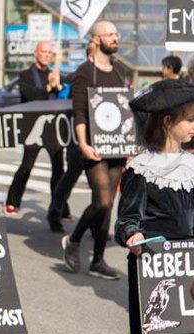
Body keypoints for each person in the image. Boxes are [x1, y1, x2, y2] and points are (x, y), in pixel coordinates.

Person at [115, 79, 194, 334]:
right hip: (154, 264)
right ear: (168, 121)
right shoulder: (142, 168)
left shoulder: (192, 165)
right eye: (190, 119)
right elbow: (126, 219)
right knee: (158, 328)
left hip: (190, 265)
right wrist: (133, 235)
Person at [62, 21, 129, 280]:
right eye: (110, 34)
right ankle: (75, 240)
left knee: (108, 205)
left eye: (116, 33)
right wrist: (83, 144)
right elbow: (78, 111)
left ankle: (98, 261)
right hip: (94, 146)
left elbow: (125, 109)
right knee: (101, 202)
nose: (116, 37)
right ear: (97, 38)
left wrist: (131, 144)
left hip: (118, 147)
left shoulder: (120, 70)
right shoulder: (84, 72)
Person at [4, 40, 68, 220]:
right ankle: (12, 201)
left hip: (53, 127)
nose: (47, 55)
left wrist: (59, 87)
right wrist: (48, 87)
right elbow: (29, 95)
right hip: (33, 126)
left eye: (49, 53)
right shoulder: (25, 74)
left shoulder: (54, 74)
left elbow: (63, 98)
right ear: (36, 53)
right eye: (44, 52)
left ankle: (60, 208)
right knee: (27, 165)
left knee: (58, 168)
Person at [47, 42, 96, 233]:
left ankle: (96, 225)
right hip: (78, 134)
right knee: (71, 175)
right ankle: (54, 212)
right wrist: (57, 84)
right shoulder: (80, 75)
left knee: (98, 186)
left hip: (99, 136)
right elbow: (64, 96)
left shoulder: (109, 73)